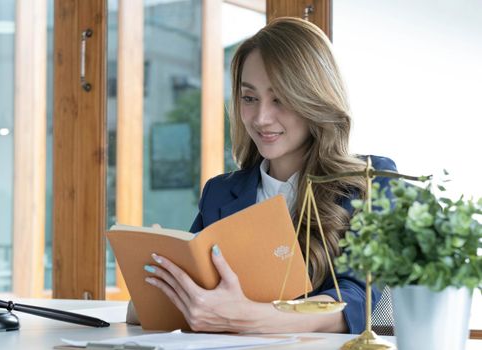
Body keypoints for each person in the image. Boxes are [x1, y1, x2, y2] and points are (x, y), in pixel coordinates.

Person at [141, 17, 397, 334]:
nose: (261, 118)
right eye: (250, 98)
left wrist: (250, 319)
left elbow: (357, 300)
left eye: (281, 99)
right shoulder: (220, 193)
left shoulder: (371, 182)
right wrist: (159, 272)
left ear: (315, 99)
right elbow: (188, 300)